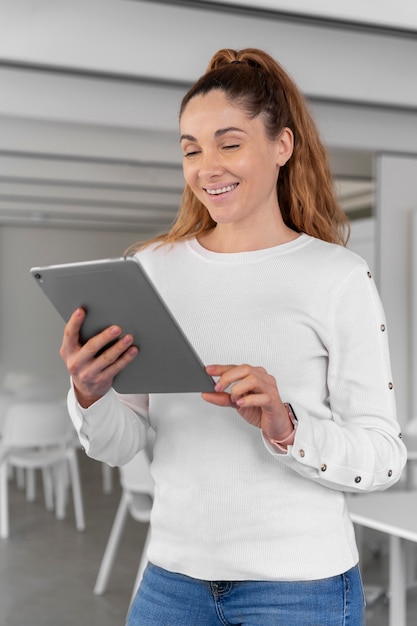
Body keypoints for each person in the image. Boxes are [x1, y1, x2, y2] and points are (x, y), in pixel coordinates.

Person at [60, 48, 407, 626]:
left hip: (300, 588)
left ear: (282, 146)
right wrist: (90, 396)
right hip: (172, 580)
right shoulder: (152, 268)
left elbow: (384, 458)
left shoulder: (337, 276)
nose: (206, 167)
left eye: (229, 143)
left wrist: (286, 424)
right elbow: (122, 444)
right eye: (191, 149)